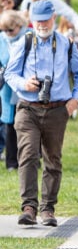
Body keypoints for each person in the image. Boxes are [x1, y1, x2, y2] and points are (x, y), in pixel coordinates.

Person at [5, 0, 78, 227]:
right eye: (37, 20)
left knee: (53, 159)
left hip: (56, 110)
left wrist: (75, 99)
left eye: (45, 19)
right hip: (28, 108)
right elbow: (9, 75)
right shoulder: (24, 42)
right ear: (32, 21)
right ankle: (29, 207)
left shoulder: (66, 44)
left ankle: (48, 209)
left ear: (54, 18)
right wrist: (25, 84)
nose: (42, 24)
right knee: (29, 154)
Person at [0, 10, 30, 170]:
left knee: (28, 126)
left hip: (26, 88)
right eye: (4, 30)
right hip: (7, 90)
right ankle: (11, 162)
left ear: (20, 25)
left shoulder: (30, 37)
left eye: (10, 30)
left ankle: (29, 160)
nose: (7, 33)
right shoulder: (1, 39)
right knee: (10, 125)